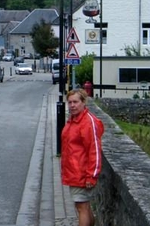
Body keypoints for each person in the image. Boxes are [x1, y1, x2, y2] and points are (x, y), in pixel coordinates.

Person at [61, 88, 104, 226]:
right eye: (70, 102)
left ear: (84, 102)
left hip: (82, 172)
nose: (72, 105)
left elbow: (94, 150)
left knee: (82, 208)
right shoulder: (73, 120)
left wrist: (91, 175)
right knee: (84, 207)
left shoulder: (87, 122)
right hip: (74, 171)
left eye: (75, 102)